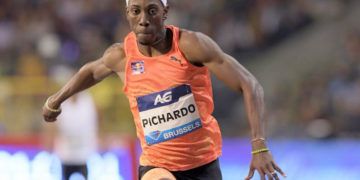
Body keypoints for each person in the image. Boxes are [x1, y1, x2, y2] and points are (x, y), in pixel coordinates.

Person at [42, 0, 286, 179]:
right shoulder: (121, 56)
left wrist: (259, 145)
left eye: (152, 10)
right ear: (127, 13)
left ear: (165, 12)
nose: (144, 19)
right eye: (135, 11)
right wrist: (56, 100)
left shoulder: (191, 46)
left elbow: (249, 84)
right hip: (156, 166)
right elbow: (91, 72)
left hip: (203, 164)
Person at [43, 91, 99, 180]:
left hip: (84, 152)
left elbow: (97, 119)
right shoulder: (61, 102)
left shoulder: (88, 101)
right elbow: (53, 124)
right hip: (66, 152)